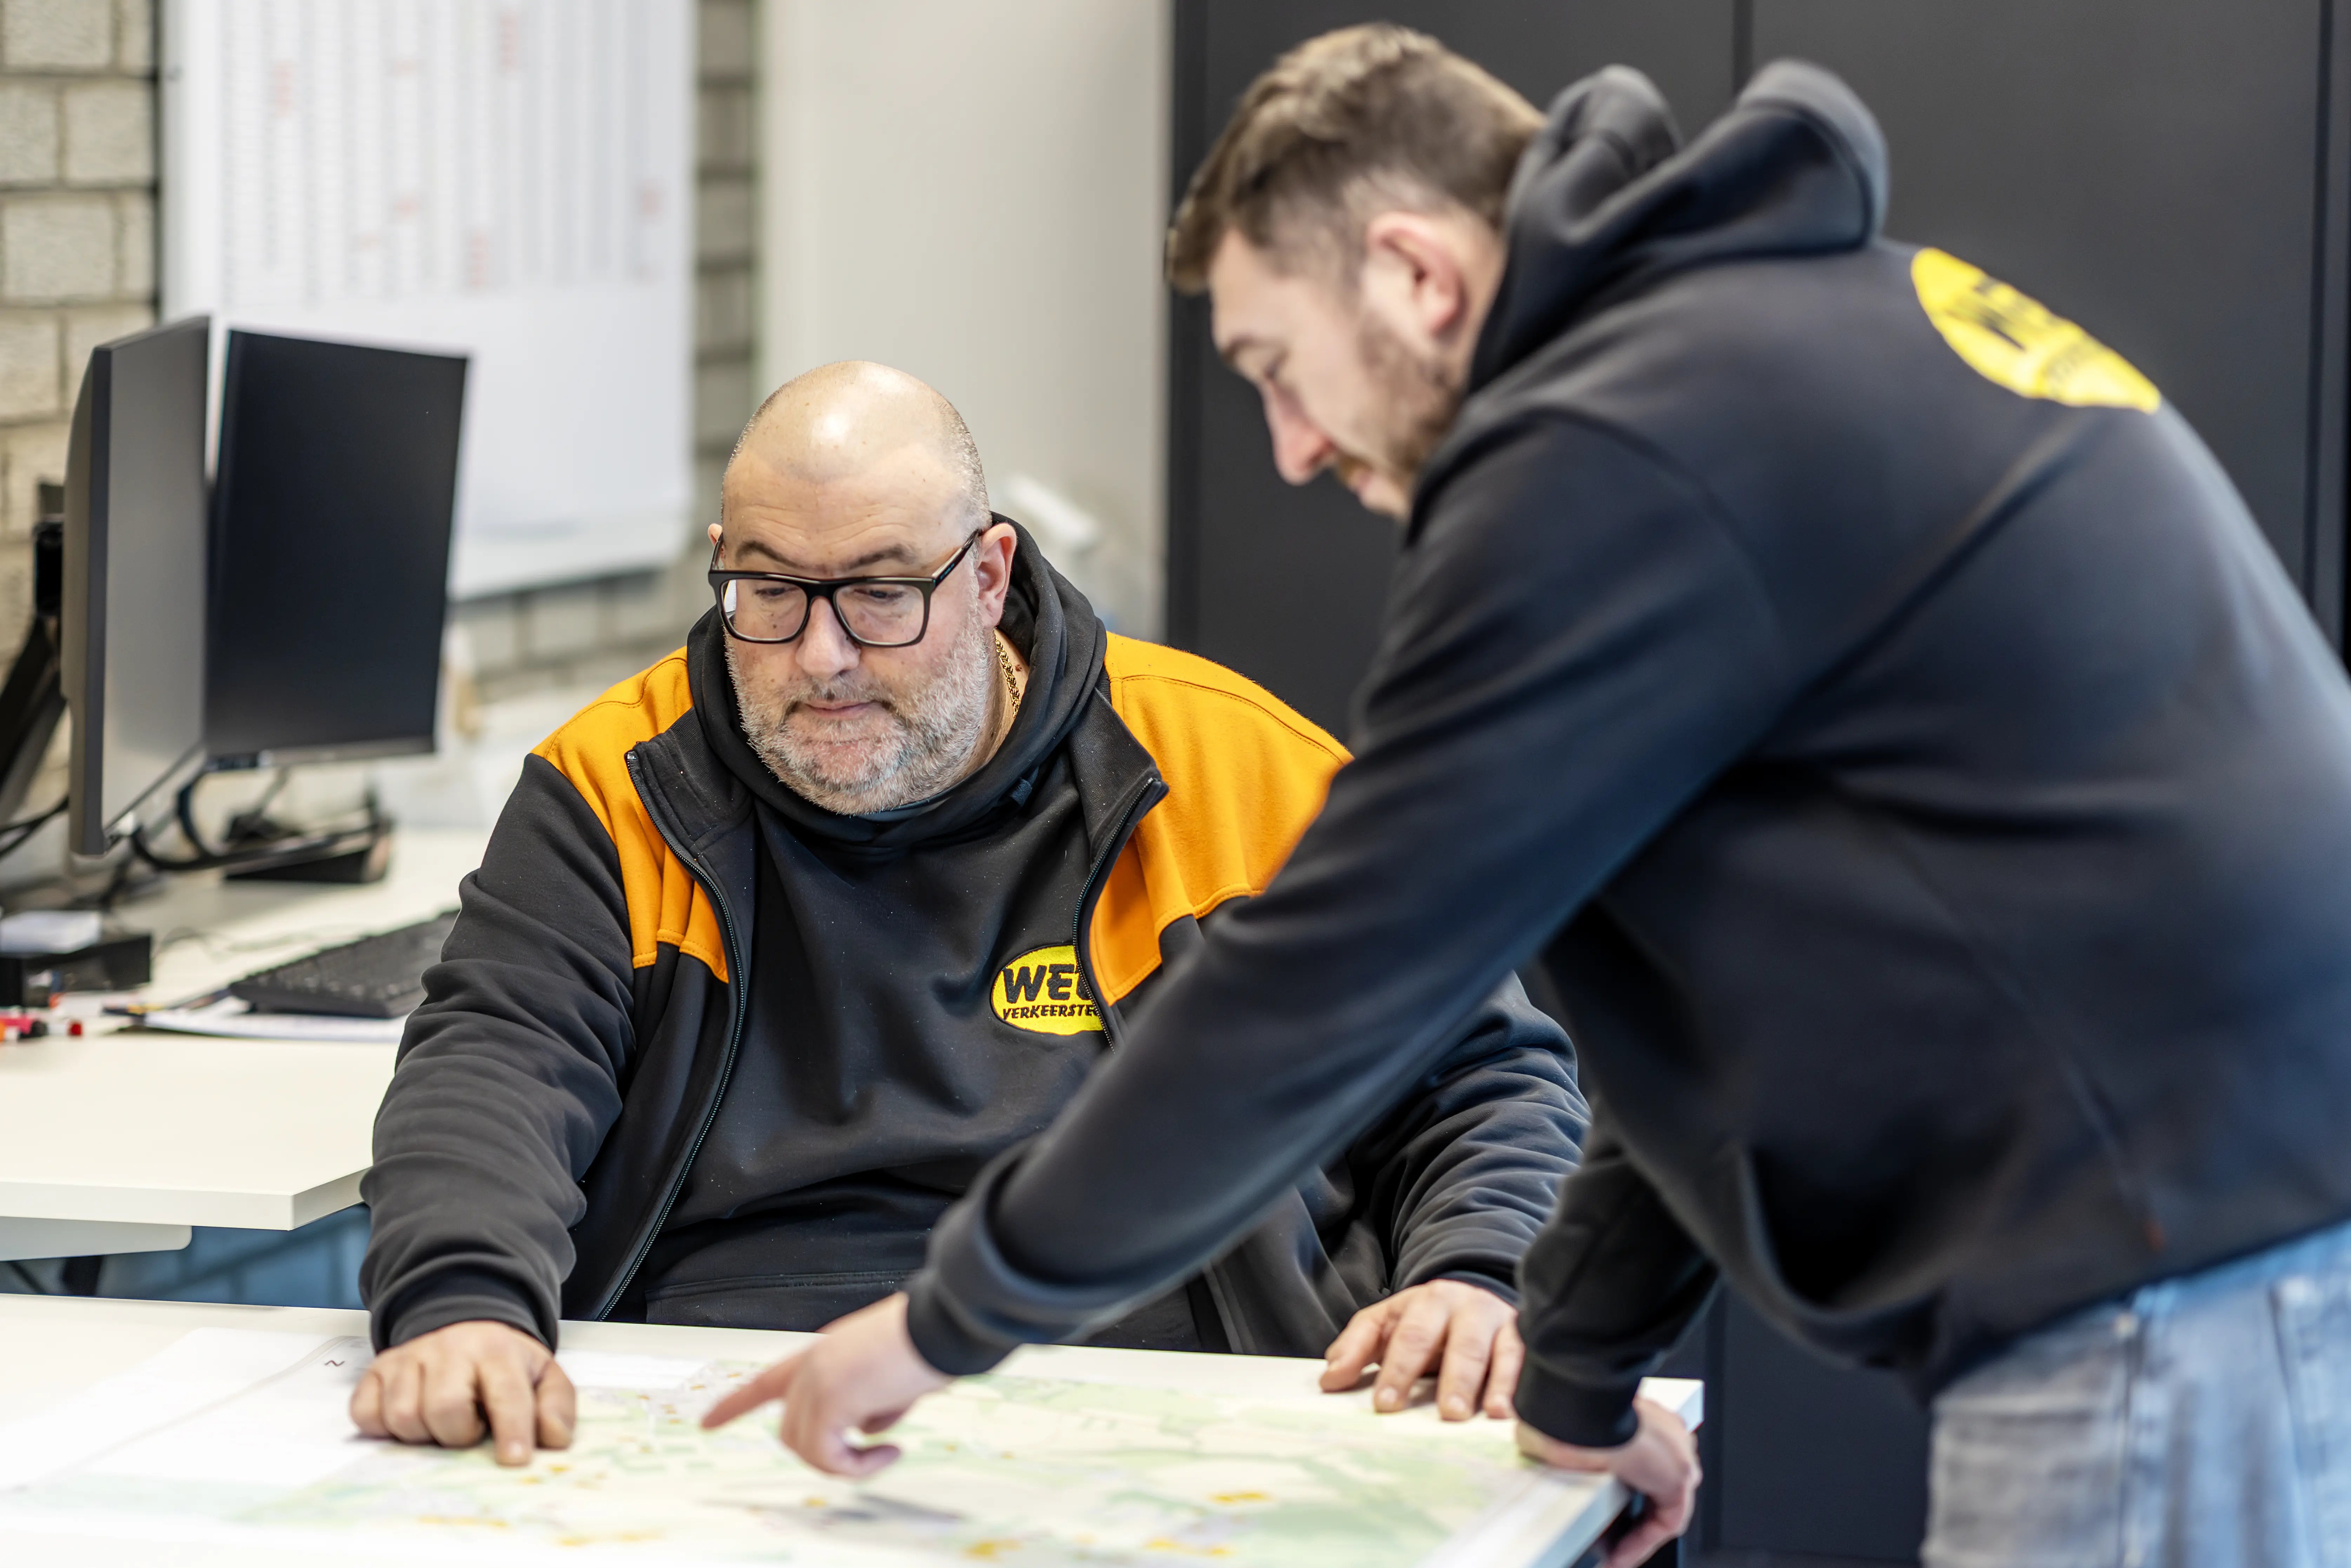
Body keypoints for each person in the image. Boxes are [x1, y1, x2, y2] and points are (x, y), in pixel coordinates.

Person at [733, 29, 2351, 1568]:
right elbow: (1728, 1000)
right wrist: (1576, 1384)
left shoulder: (1614, 446)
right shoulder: (1759, 346)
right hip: (2232, 1195)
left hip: (2160, 1237)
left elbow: (1336, 975)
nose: (1290, 448)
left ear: (1419, 277)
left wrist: (952, 1321)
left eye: (1279, 367)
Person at [349, 359, 1588, 1467]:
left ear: (990, 574)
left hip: (1173, 1403)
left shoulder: (1235, 770)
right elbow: (493, 1061)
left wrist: (1479, 1276)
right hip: (724, 1412)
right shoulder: (616, 785)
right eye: (770, 592)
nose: (822, 655)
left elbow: (1482, 1078)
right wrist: (462, 1303)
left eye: (884, 594)